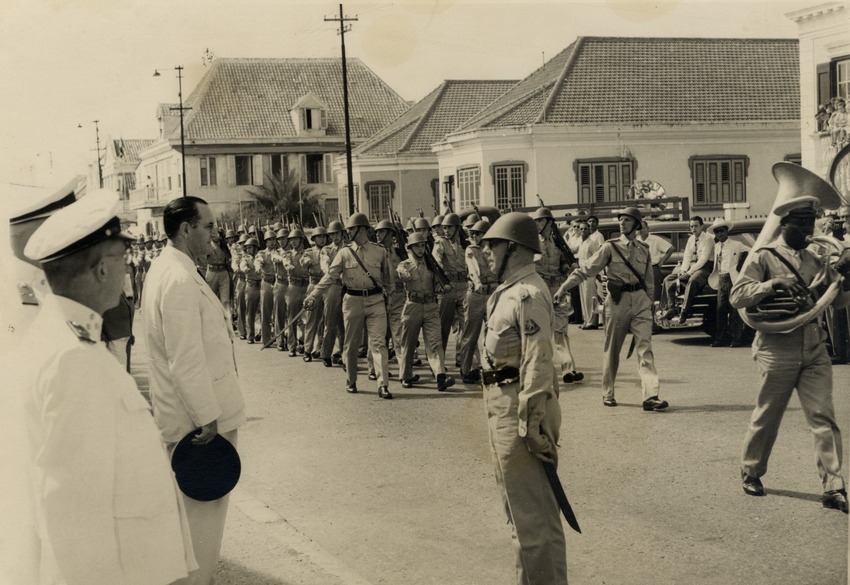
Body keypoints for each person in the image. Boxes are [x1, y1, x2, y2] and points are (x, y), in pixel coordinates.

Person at [16, 190, 196, 585]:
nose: (126, 269)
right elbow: (74, 516)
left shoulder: (67, 341)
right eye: (122, 258)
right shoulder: (72, 360)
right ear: (100, 269)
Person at [142, 196, 247, 585]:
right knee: (202, 523)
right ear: (186, 229)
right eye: (208, 226)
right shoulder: (180, 278)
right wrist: (207, 417)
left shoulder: (168, 268)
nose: (214, 234)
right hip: (200, 425)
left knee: (189, 522)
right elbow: (184, 358)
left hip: (188, 417)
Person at [730, 177, 850, 513]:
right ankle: (751, 470)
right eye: (801, 224)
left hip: (814, 345)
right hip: (776, 346)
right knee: (768, 415)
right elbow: (737, 296)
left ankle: (833, 485)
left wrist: (844, 281)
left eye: (811, 223)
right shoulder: (764, 256)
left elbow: (835, 303)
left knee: (823, 417)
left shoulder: (817, 258)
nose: (809, 231)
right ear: (784, 225)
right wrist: (771, 284)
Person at [479, 212, 567, 585]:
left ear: (512, 249)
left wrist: (531, 424)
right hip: (500, 405)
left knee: (534, 522)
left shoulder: (527, 294)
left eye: (491, 246)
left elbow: (538, 362)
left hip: (518, 411)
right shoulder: (507, 291)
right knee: (517, 515)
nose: (485, 253)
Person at [555, 207, 668, 411]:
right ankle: (608, 392)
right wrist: (564, 287)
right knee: (612, 350)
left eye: (627, 220)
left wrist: (650, 304)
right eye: (621, 220)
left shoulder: (644, 249)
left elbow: (649, 282)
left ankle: (651, 395)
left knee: (645, 349)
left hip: (640, 302)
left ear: (637, 224)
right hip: (617, 303)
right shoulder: (610, 247)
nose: (622, 223)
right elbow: (586, 269)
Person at [304, 213, 395, 398]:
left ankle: (382, 384)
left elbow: (389, 280)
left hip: (375, 301)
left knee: (378, 344)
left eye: (351, 229)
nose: (348, 232)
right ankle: (351, 379)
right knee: (351, 344)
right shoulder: (344, 252)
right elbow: (330, 276)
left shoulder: (379, 251)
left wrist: (390, 301)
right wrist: (313, 295)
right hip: (352, 301)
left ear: (362, 229)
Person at [396, 232, 456, 391]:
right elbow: (403, 275)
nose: (421, 249)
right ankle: (406, 375)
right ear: (410, 248)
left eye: (423, 245)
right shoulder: (405, 265)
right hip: (413, 306)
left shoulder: (432, 266)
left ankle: (440, 377)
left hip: (430, 306)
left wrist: (443, 287)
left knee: (435, 343)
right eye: (417, 246)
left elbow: (437, 285)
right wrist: (406, 272)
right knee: (408, 343)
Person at [532, 206, 583, 384]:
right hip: (539, 288)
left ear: (549, 223)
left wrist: (569, 267)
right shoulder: (531, 242)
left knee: (560, 330)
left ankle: (569, 369)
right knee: (539, 331)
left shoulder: (559, 243)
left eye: (540, 220)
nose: (538, 224)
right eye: (536, 221)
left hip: (557, 287)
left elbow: (564, 265)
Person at [459, 218, 497, 383]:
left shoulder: (494, 250)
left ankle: (490, 367)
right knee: (471, 334)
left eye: (478, 233)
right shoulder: (471, 249)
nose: (474, 236)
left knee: (493, 332)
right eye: (472, 233)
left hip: (492, 293)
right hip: (476, 294)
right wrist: (478, 282)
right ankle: (466, 370)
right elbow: (473, 268)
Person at [661, 216, 714, 324]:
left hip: (705, 267)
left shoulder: (708, 239)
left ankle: (684, 311)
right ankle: (671, 308)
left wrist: (689, 273)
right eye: (691, 226)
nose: (693, 229)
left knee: (692, 281)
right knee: (668, 279)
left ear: (702, 226)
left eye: (696, 226)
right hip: (692, 267)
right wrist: (683, 270)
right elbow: (687, 257)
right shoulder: (691, 239)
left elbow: (703, 259)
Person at [706, 219, 749, 347]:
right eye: (717, 232)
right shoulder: (717, 246)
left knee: (734, 309)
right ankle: (720, 338)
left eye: (721, 231)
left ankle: (736, 338)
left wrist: (740, 265)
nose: (719, 234)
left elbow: (752, 250)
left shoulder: (736, 244)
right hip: (721, 278)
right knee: (720, 310)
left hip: (732, 279)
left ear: (726, 231)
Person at [319, 221, 346, 366]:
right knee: (330, 321)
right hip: (333, 287)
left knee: (345, 323)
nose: (335, 237)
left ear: (342, 233)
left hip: (347, 287)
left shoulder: (348, 248)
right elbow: (325, 267)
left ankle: (343, 354)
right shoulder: (326, 250)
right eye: (332, 234)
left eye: (337, 233)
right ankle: (326, 353)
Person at [638, 219, 674, 309]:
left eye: (643, 228)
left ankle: (655, 318)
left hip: (653, 269)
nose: (641, 230)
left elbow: (670, 248)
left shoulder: (655, 239)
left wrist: (661, 262)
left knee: (654, 295)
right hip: (640, 270)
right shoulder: (636, 241)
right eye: (639, 228)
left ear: (647, 228)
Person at [576, 220, 602, 330]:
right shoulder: (581, 243)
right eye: (581, 229)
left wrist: (597, 273)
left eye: (585, 229)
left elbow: (597, 258)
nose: (583, 231)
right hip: (582, 272)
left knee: (590, 297)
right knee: (584, 298)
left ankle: (592, 322)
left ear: (589, 230)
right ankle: (586, 320)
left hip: (590, 273)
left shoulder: (592, 243)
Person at [255, 229, 278, 347]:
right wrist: (258, 267)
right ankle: (266, 338)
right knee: (266, 311)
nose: (272, 242)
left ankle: (280, 339)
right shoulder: (262, 254)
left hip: (278, 282)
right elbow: (258, 261)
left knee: (279, 312)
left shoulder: (280, 252)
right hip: (267, 283)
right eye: (269, 240)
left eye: (274, 239)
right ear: (266, 242)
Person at [205, 229, 232, 318]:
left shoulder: (223, 245)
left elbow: (227, 256)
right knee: (210, 299)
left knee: (225, 301)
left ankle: (228, 323)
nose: (216, 236)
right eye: (213, 234)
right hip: (212, 272)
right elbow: (202, 259)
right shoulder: (208, 244)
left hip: (223, 272)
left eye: (217, 234)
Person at [240, 237, 261, 344]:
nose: (248, 250)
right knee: (250, 312)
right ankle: (250, 335)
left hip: (262, 285)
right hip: (251, 286)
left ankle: (262, 332)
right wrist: (245, 269)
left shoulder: (261, 256)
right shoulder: (246, 258)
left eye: (250, 247)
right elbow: (242, 265)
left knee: (264, 311)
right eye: (246, 248)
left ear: (255, 247)